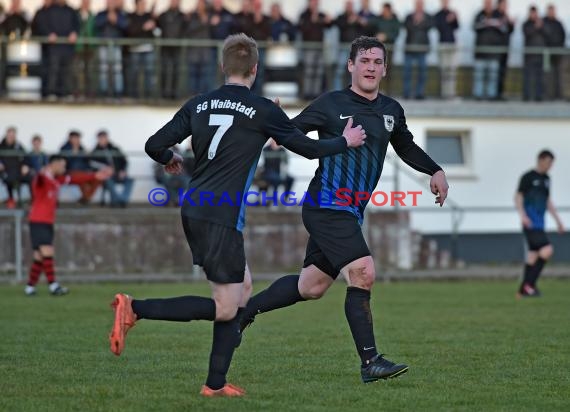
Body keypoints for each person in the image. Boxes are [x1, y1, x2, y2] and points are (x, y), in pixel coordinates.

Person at [108, 33, 366, 397]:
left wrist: (171, 160)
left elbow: (154, 145)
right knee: (227, 306)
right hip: (220, 217)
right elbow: (306, 148)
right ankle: (135, 309)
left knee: (242, 290)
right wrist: (345, 141)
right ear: (255, 69)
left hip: (196, 208)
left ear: (222, 67)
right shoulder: (263, 109)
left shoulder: (199, 104)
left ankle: (215, 383)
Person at [238, 36, 449, 383]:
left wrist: (435, 170)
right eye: (364, 60)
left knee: (312, 286)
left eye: (377, 62)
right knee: (363, 271)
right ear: (351, 65)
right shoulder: (331, 103)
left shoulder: (391, 110)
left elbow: (406, 146)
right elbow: (290, 134)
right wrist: (273, 123)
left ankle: (244, 313)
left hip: (350, 211)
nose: (370, 67)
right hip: (326, 204)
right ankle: (370, 363)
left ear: (385, 69)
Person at [25, 155, 110, 296]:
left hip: (46, 221)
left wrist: (94, 175)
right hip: (38, 220)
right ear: (54, 164)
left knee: (39, 257)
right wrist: (36, 171)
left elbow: (75, 179)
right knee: (47, 252)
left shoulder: (56, 180)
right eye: (62, 165)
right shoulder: (42, 178)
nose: (64, 168)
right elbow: (36, 179)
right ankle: (53, 286)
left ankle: (30, 286)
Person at [515, 150, 564, 298]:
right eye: (549, 162)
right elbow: (518, 196)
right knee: (547, 250)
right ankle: (528, 286)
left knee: (533, 256)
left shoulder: (547, 179)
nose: (550, 166)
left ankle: (523, 290)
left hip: (540, 223)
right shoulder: (528, 177)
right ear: (541, 160)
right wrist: (523, 216)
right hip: (530, 223)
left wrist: (558, 221)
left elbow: (548, 201)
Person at [91, 130, 134, 207]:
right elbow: (92, 164)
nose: (102, 140)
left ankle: (122, 200)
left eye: (104, 138)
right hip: (106, 175)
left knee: (130, 180)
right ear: (98, 139)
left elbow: (124, 161)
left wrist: (123, 171)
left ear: (107, 138)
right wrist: (104, 168)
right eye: (101, 138)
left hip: (118, 173)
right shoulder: (95, 151)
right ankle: (118, 201)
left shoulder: (115, 148)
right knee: (108, 180)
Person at [403, 0, 434, 100]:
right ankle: (406, 93)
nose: (419, 7)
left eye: (421, 5)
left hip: (422, 49)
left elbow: (430, 26)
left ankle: (419, 93)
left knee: (422, 73)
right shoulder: (409, 17)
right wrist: (415, 22)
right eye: (418, 5)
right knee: (407, 72)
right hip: (409, 48)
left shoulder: (428, 16)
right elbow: (406, 27)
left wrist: (421, 22)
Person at [434, 0, 459, 99]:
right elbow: (438, 27)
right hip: (443, 44)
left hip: (452, 44)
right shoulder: (438, 15)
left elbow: (457, 27)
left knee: (451, 69)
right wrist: (447, 20)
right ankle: (444, 93)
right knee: (444, 69)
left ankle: (451, 92)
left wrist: (455, 19)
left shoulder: (452, 13)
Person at [522, 6, 547, 102]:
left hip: (540, 55)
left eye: (535, 13)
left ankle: (538, 96)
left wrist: (541, 27)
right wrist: (535, 27)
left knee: (539, 77)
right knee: (527, 77)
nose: (534, 15)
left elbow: (548, 35)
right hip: (528, 55)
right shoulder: (526, 24)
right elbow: (526, 33)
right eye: (532, 13)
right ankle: (526, 96)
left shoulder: (542, 24)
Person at [543, 4, 566, 101]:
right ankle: (549, 95)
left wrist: (560, 47)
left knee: (559, 75)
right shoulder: (543, 22)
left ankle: (559, 94)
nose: (552, 13)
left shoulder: (558, 23)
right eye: (550, 11)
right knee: (548, 75)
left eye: (553, 11)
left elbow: (563, 35)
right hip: (547, 54)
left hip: (558, 53)